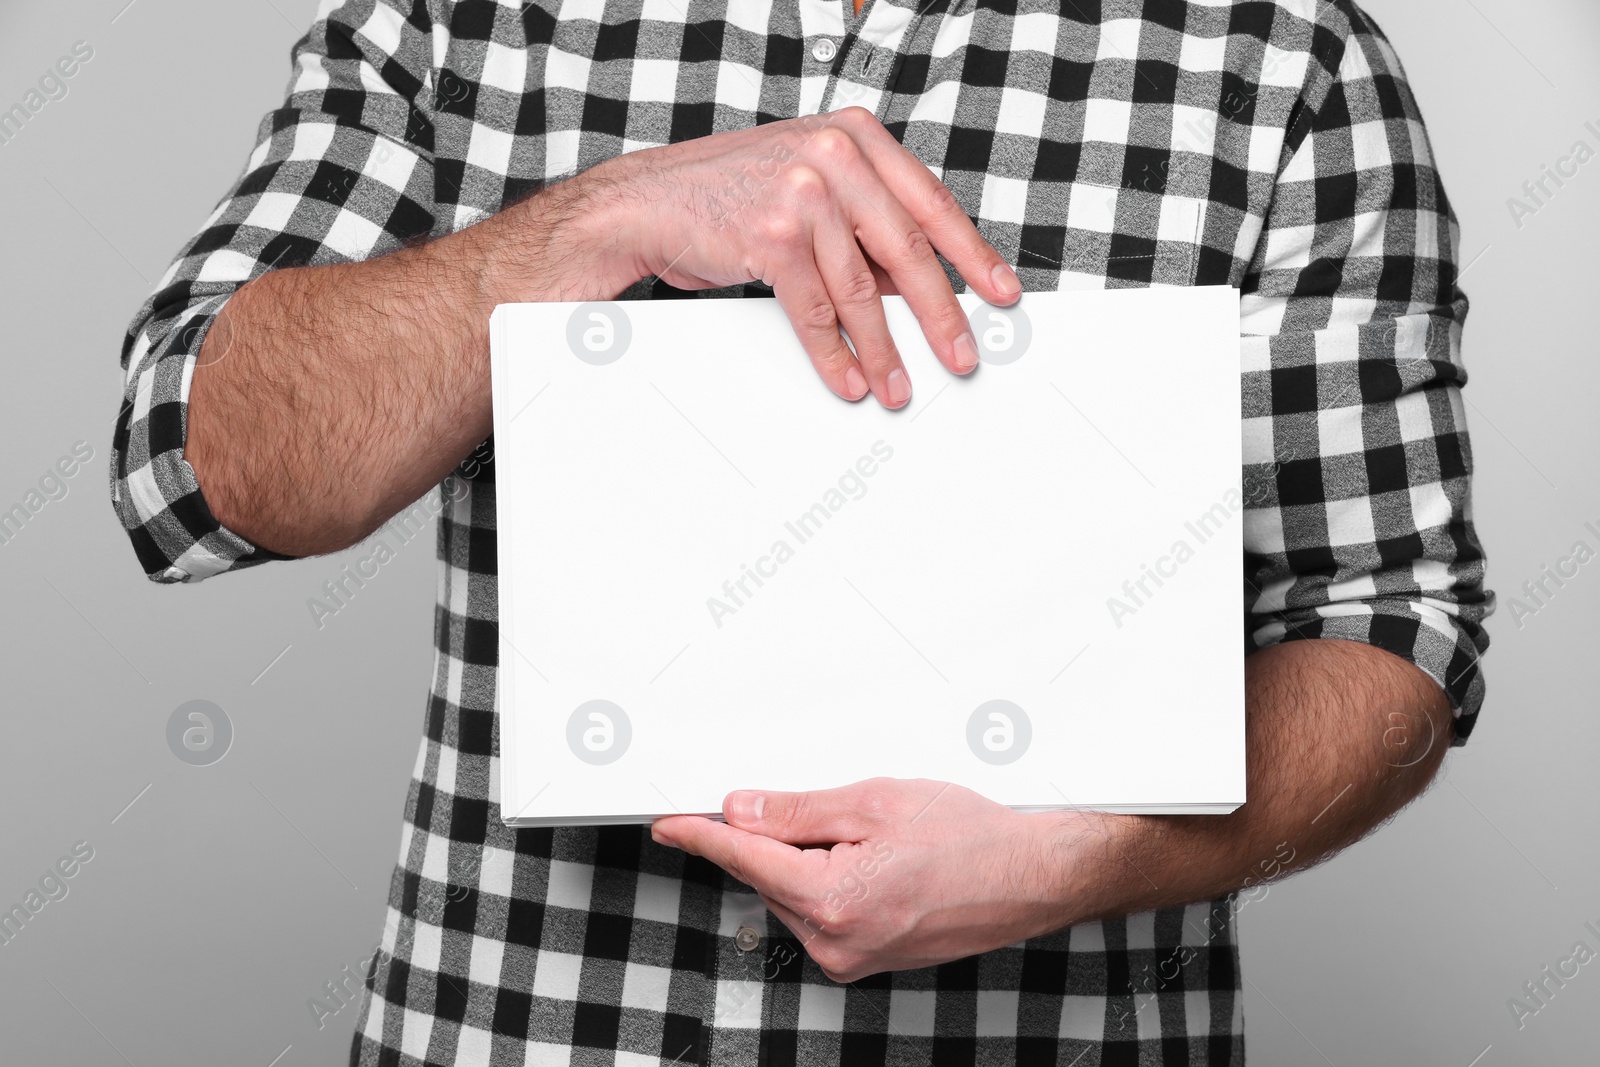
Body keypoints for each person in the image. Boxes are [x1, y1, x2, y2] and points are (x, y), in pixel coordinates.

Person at [109, 0, 1493, 1062]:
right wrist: (589, 227)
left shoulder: (1280, 56)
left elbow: (1398, 629)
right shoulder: (477, 20)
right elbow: (198, 465)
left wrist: (1091, 854)